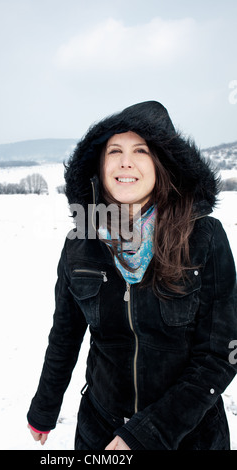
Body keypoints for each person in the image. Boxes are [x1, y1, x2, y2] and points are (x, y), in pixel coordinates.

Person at [27, 101, 237, 450]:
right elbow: (65, 334)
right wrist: (44, 407)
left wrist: (145, 435)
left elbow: (221, 354)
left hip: (188, 436)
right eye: (115, 150)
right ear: (99, 164)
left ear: (162, 163)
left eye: (140, 149)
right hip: (99, 430)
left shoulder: (204, 236)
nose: (126, 161)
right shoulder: (81, 242)